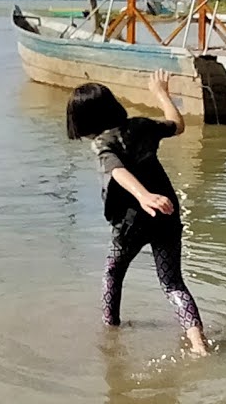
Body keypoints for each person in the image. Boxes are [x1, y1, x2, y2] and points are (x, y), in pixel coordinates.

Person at [67, 72, 209, 356]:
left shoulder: (102, 143)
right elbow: (178, 125)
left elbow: (116, 171)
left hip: (132, 221)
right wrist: (160, 93)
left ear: (83, 121)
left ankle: (110, 333)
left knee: (112, 273)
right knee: (172, 283)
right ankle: (198, 344)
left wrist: (143, 196)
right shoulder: (142, 126)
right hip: (167, 211)